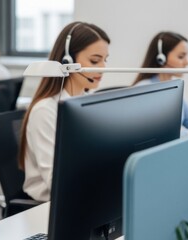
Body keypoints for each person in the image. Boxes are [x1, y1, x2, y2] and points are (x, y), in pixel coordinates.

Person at [18, 22, 110, 202]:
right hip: (51, 205)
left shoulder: (90, 101)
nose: (103, 67)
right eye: (94, 60)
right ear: (67, 61)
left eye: (105, 60)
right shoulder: (46, 111)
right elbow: (57, 181)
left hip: (87, 195)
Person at [132, 31, 188, 136]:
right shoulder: (145, 89)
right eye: (181, 57)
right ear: (161, 59)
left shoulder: (173, 88)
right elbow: (157, 131)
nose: (187, 62)